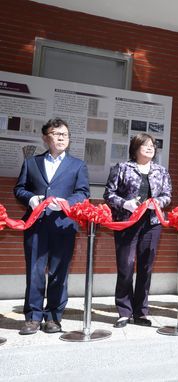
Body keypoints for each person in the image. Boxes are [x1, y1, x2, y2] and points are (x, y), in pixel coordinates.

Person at [14, 118, 89, 335]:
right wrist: (31, 199)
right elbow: (19, 189)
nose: (62, 138)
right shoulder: (31, 163)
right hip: (35, 225)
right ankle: (33, 317)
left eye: (65, 134)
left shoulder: (77, 165)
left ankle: (54, 317)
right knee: (35, 271)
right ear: (46, 138)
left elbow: (82, 193)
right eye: (57, 134)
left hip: (63, 225)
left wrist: (66, 204)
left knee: (59, 272)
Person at [104, 133, 172, 328]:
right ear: (135, 148)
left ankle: (141, 311)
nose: (150, 148)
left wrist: (156, 202)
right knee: (126, 266)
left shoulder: (161, 171)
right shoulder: (122, 168)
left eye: (152, 145)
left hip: (151, 223)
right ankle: (124, 311)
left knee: (145, 267)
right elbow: (109, 194)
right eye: (145, 145)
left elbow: (167, 195)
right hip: (127, 222)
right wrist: (126, 204)